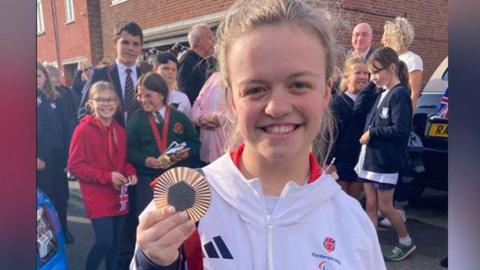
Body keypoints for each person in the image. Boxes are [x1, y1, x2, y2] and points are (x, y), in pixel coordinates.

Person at [131, 0, 386, 269]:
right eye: (255, 89)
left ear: (326, 92)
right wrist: (153, 263)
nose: (277, 107)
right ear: (230, 100)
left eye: (299, 85)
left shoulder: (352, 223)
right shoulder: (180, 207)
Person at [68, 81, 138, 270]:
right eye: (101, 100)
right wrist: (107, 176)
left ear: (117, 103)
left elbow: (121, 162)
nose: (106, 104)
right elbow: (74, 166)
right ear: (91, 103)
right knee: (104, 241)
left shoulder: (120, 132)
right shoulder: (82, 130)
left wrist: (130, 173)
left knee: (115, 245)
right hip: (97, 194)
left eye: (110, 100)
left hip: (119, 193)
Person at [354, 47, 415, 261]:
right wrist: (372, 84)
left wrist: (373, 132)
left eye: (376, 72)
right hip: (370, 159)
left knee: (386, 207)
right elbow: (361, 109)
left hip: (384, 162)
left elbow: (400, 130)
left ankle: (405, 241)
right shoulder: (381, 92)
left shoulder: (400, 95)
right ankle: (370, 245)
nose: (373, 78)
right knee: (370, 203)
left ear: (392, 68)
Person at [127, 72, 200, 215]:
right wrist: (145, 160)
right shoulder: (135, 120)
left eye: (148, 95)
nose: (142, 100)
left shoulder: (179, 117)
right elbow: (128, 150)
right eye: (139, 95)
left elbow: (195, 143)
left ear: (161, 94)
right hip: (148, 182)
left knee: (177, 221)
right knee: (151, 222)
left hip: (176, 180)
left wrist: (181, 153)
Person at [380, 16, 424, 227]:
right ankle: (387, 208)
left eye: (386, 34)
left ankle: (400, 210)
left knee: (403, 165)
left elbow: (414, 94)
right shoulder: (388, 60)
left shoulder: (412, 60)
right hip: (385, 119)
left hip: (401, 120)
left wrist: (406, 121)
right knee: (388, 162)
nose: (382, 38)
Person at [78, 21, 144, 127]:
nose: (131, 48)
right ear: (115, 42)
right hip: (109, 139)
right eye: (125, 42)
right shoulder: (100, 74)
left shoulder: (145, 75)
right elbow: (83, 112)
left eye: (136, 44)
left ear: (141, 47)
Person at [36, 62, 74, 244]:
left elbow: (66, 128)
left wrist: (68, 156)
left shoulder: (57, 99)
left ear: (44, 78)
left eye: (38, 76)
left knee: (60, 197)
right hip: (36, 160)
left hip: (55, 158)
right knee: (42, 201)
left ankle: (63, 230)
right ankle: (46, 237)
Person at [327, 57, 369, 200]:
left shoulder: (371, 100)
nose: (363, 77)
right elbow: (329, 134)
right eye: (358, 73)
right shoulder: (338, 103)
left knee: (354, 203)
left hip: (360, 159)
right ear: (347, 76)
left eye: (366, 73)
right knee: (340, 202)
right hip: (341, 160)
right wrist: (328, 162)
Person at [191, 72, 228, 164]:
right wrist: (200, 118)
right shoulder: (214, 77)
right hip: (206, 148)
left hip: (228, 150)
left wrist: (220, 119)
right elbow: (197, 102)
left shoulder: (240, 76)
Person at [177, 24, 215, 105]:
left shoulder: (213, 62)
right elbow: (185, 94)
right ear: (199, 41)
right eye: (210, 38)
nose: (213, 42)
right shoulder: (187, 62)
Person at [152, 52, 192, 117]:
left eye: (174, 70)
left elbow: (189, 124)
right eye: (166, 68)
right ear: (155, 69)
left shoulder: (182, 98)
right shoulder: (147, 96)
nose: (170, 72)